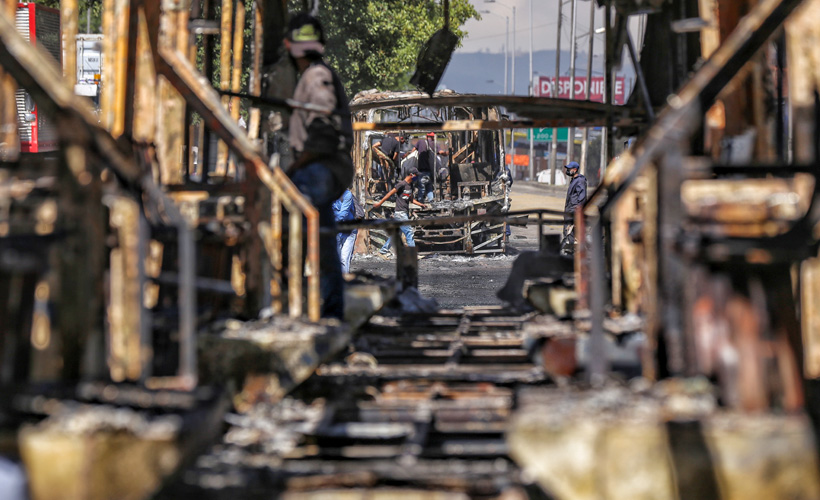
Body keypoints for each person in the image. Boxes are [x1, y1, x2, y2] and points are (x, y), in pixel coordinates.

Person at [284, 13, 353, 319]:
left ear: (290, 47)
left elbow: (323, 131)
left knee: (289, 227)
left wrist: (297, 164)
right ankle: (325, 306)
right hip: (323, 168)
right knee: (320, 238)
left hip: (321, 168)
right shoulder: (315, 75)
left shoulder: (316, 77)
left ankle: (296, 298)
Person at [370, 167, 429, 258]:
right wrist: (379, 203)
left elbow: (411, 199)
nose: (417, 178)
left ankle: (382, 251)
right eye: (416, 176)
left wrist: (421, 204)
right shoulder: (401, 184)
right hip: (400, 213)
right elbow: (390, 193)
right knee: (409, 232)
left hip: (404, 213)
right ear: (411, 175)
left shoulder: (410, 186)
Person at [561, 161, 587, 254]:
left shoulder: (580, 181)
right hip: (570, 210)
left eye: (569, 169)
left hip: (574, 210)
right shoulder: (574, 180)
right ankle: (570, 250)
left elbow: (582, 197)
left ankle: (572, 251)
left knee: (571, 231)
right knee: (569, 231)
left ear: (575, 170)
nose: (567, 170)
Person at [333, 189, 358, 274]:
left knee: (344, 259)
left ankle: (344, 283)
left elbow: (343, 214)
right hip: (336, 230)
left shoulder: (347, 194)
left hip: (349, 230)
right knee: (337, 258)